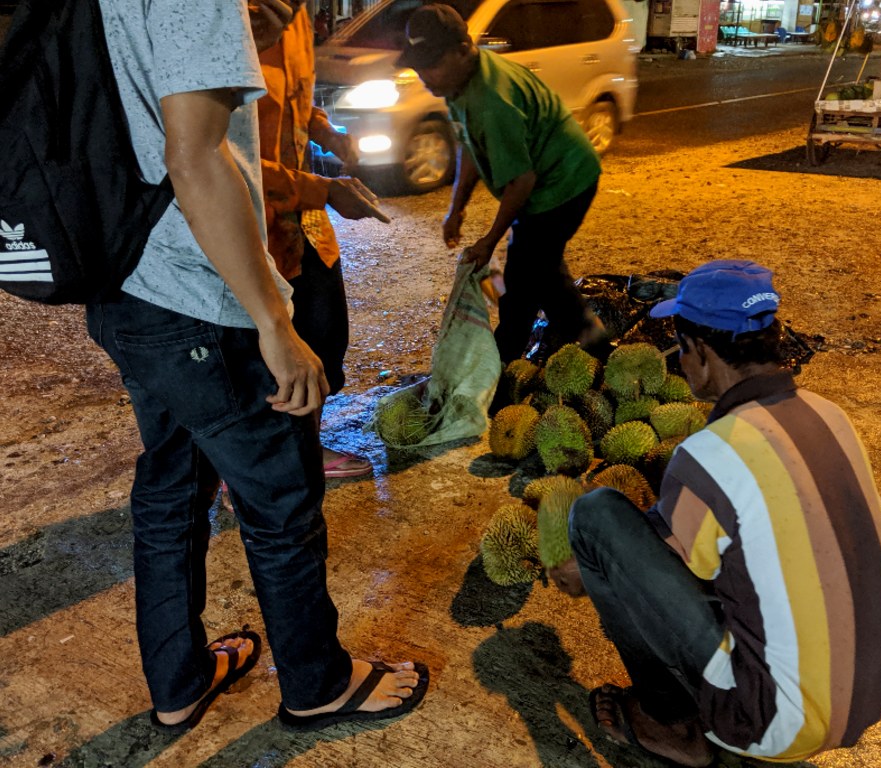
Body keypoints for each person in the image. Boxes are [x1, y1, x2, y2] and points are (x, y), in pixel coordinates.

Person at [90, 0, 427, 732]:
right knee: (281, 501)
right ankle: (318, 686)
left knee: (170, 486)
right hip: (199, 294)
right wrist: (273, 320)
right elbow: (195, 156)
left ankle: (178, 683)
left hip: (121, 286)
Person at [558, 260, 881, 765]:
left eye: (679, 348)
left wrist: (582, 566)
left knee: (596, 516)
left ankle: (671, 722)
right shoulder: (832, 415)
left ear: (697, 352)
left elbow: (652, 571)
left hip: (768, 722)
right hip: (870, 696)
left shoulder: (712, 454)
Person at [396, 4, 606, 365]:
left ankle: (508, 362)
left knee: (521, 284)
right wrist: (456, 208)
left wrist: (489, 240)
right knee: (539, 267)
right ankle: (587, 339)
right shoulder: (457, 83)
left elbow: (521, 181)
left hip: (564, 182)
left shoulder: (492, 101)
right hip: (542, 182)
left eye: (430, 65)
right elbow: (468, 145)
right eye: (418, 66)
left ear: (463, 50)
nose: (423, 76)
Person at [253, 0, 386, 479]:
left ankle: (306, 443)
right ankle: (262, 464)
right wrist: (323, 190)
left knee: (324, 337)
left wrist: (330, 135)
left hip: (303, 223)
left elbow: (294, 102)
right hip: (252, 233)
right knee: (268, 357)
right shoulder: (235, 20)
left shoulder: (298, 16)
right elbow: (226, 163)